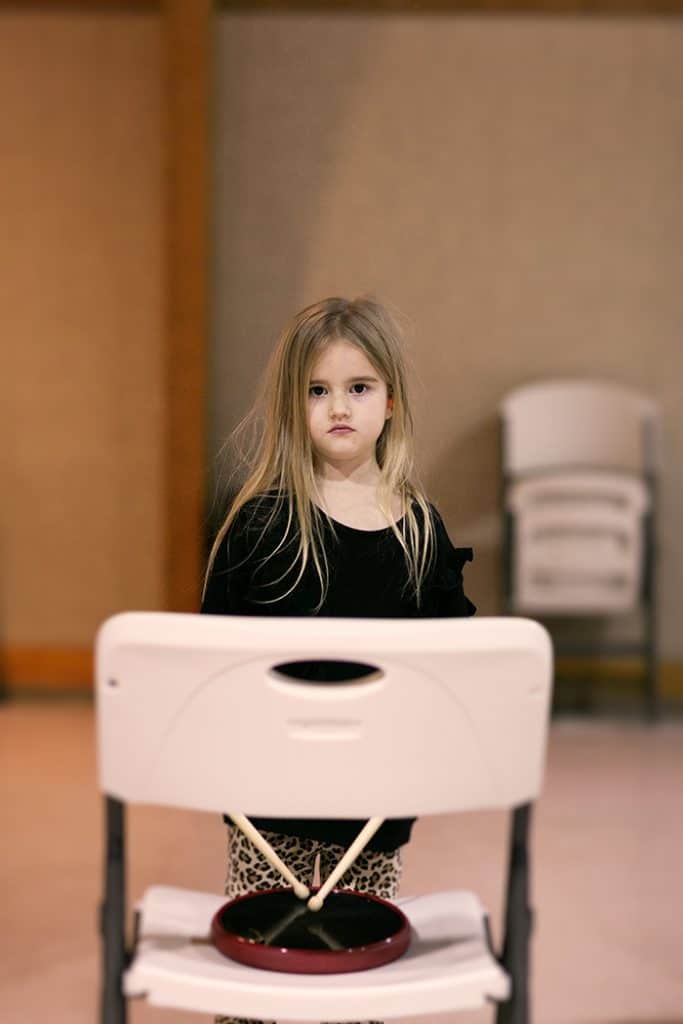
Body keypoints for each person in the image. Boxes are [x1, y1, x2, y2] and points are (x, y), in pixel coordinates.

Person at [201, 295, 475, 1024]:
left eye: (357, 388)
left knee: (359, 981)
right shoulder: (258, 522)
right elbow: (212, 671)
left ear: (391, 401)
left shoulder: (420, 529)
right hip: (269, 808)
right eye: (317, 390)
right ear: (294, 405)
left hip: (373, 813)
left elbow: (453, 671)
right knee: (263, 975)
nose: (338, 407)